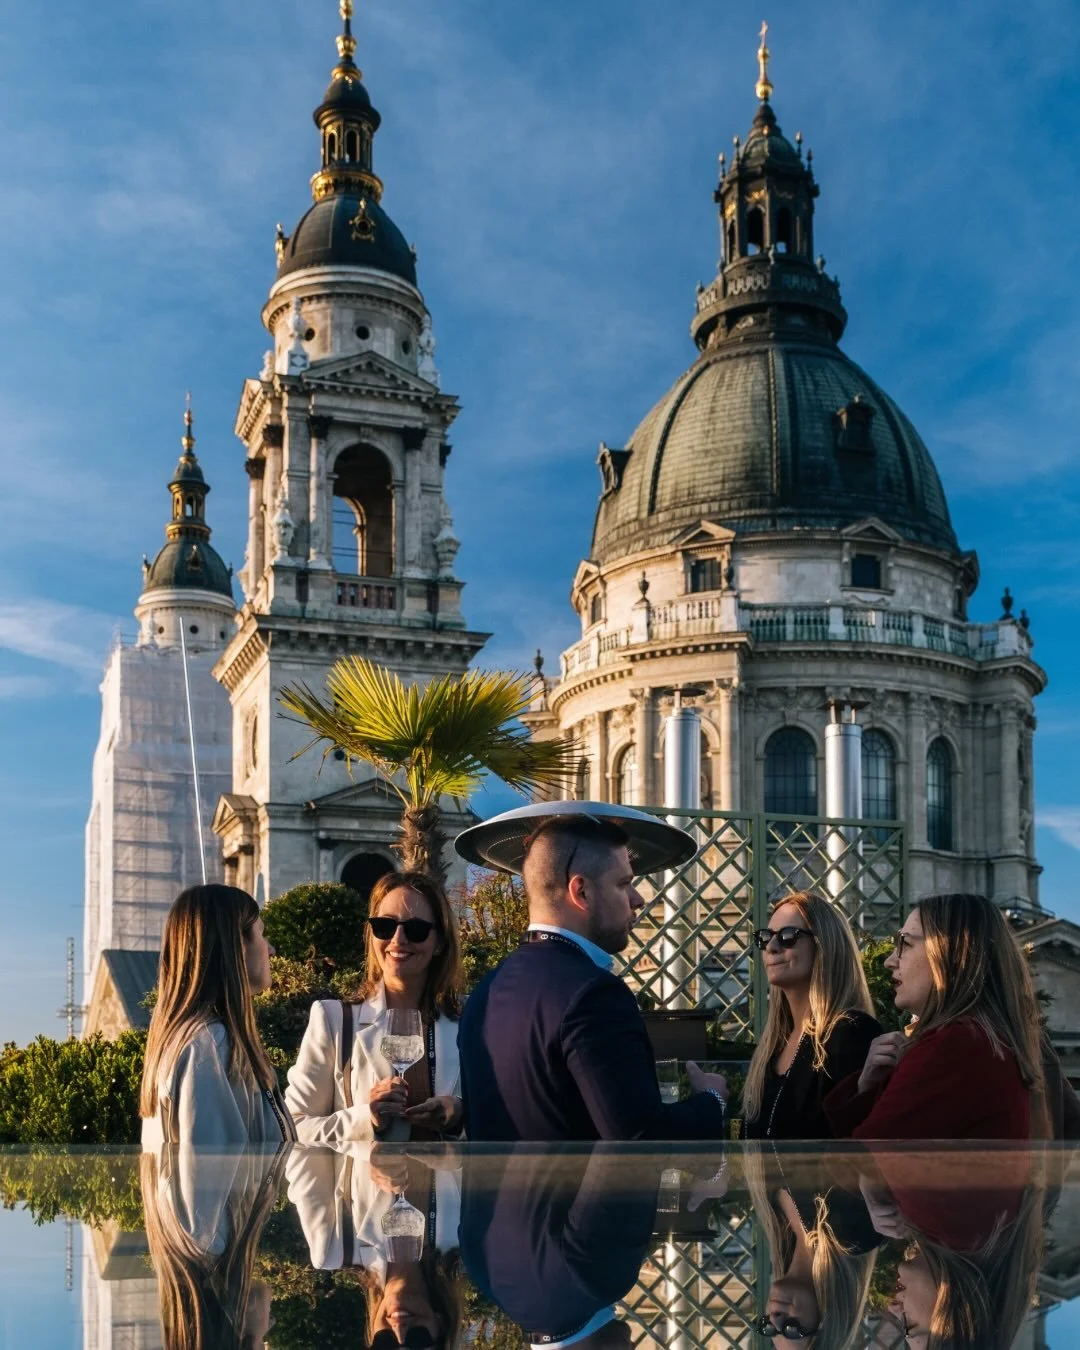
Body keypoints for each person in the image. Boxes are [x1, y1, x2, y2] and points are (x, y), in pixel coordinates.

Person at [455, 804, 728, 1141]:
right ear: (581, 891)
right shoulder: (593, 994)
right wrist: (712, 1101)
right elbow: (642, 1136)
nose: (638, 898)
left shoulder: (485, 992)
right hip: (583, 1195)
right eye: (624, 883)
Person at [824, 893, 1047, 1140]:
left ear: (952, 953)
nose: (890, 961)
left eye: (904, 944)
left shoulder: (957, 1043)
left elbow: (862, 1163)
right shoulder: (985, 1038)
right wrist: (867, 1087)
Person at [285, 870, 464, 1145]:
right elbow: (293, 1126)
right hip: (365, 1185)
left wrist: (459, 1116)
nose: (398, 939)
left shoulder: (469, 1023)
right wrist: (366, 1119)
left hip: (443, 1185)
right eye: (385, 926)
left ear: (439, 942)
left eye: (415, 929)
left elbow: (503, 1120)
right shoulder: (333, 1020)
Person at [140, 885, 295, 1148]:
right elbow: (209, 1179)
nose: (271, 950)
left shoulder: (202, 1041)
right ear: (237, 946)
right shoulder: (210, 1047)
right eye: (262, 934)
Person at [286, 1141, 463, 1349]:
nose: (399, 1329)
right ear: (441, 1325)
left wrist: (365, 1144)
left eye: (386, 1345)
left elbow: (298, 1138)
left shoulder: (333, 1247)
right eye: (417, 1341)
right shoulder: (468, 1237)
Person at [742, 891, 881, 1140]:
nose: (771, 948)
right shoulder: (774, 1044)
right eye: (765, 938)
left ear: (824, 945)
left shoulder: (851, 1033)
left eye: (787, 937)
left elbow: (856, 1139)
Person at [141, 1145, 287, 1350]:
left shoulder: (207, 1231)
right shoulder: (199, 1245)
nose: (272, 1322)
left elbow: (203, 1125)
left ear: (239, 1328)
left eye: (261, 1340)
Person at [744, 1150, 878, 1349]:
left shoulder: (775, 1220)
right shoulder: (854, 1234)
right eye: (791, 1328)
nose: (775, 1318)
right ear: (828, 1320)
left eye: (769, 1328)